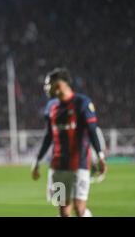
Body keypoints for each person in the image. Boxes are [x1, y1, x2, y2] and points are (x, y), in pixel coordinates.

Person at [32, 68, 107, 217]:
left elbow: (92, 131)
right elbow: (48, 136)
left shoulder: (82, 103)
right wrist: (38, 161)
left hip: (79, 166)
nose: (46, 88)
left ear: (60, 84)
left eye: (49, 84)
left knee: (79, 209)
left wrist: (100, 156)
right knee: (63, 212)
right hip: (57, 167)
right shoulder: (51, 107)